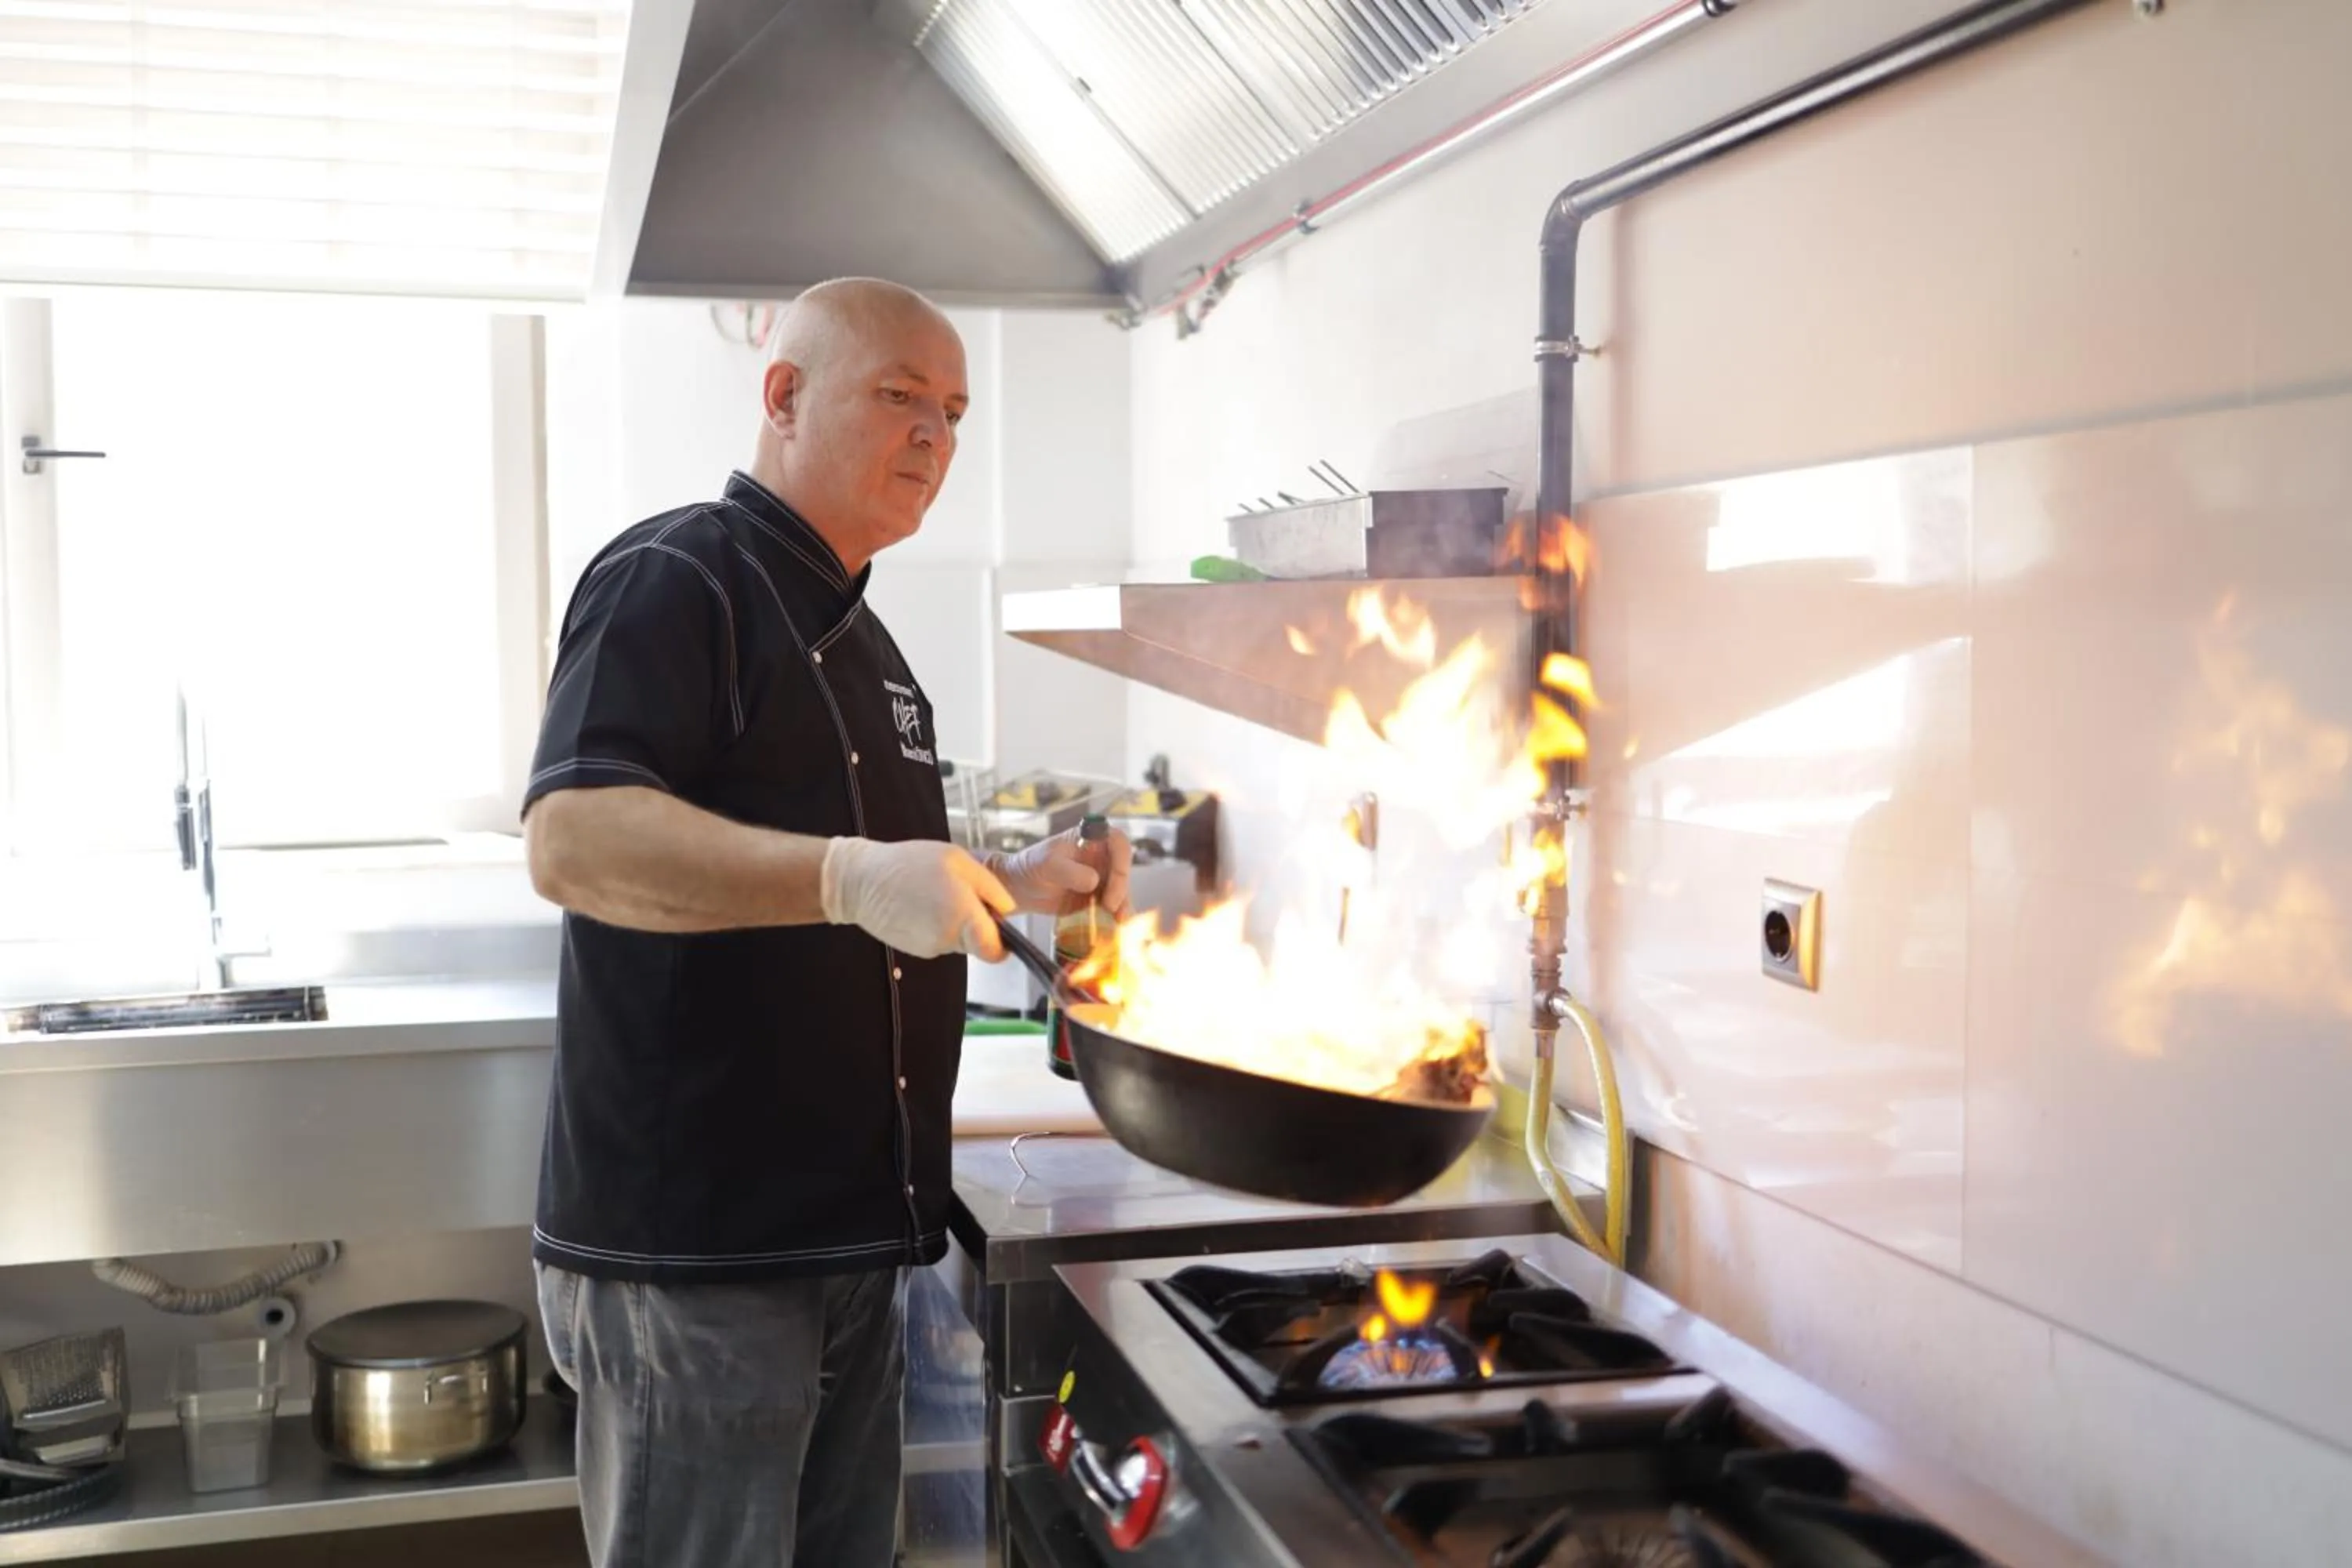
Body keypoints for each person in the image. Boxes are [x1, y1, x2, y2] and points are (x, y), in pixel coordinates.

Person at [519, 277, 1131, 1568]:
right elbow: (574, 840)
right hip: (703, 1253)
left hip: (848, 1239)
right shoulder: (676, 576)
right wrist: (852, 880)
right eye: (900, 397)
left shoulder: (866, 642)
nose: (935, 439)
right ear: (784, 395)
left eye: (955, 414)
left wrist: (1007, 878)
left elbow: (863, 860)